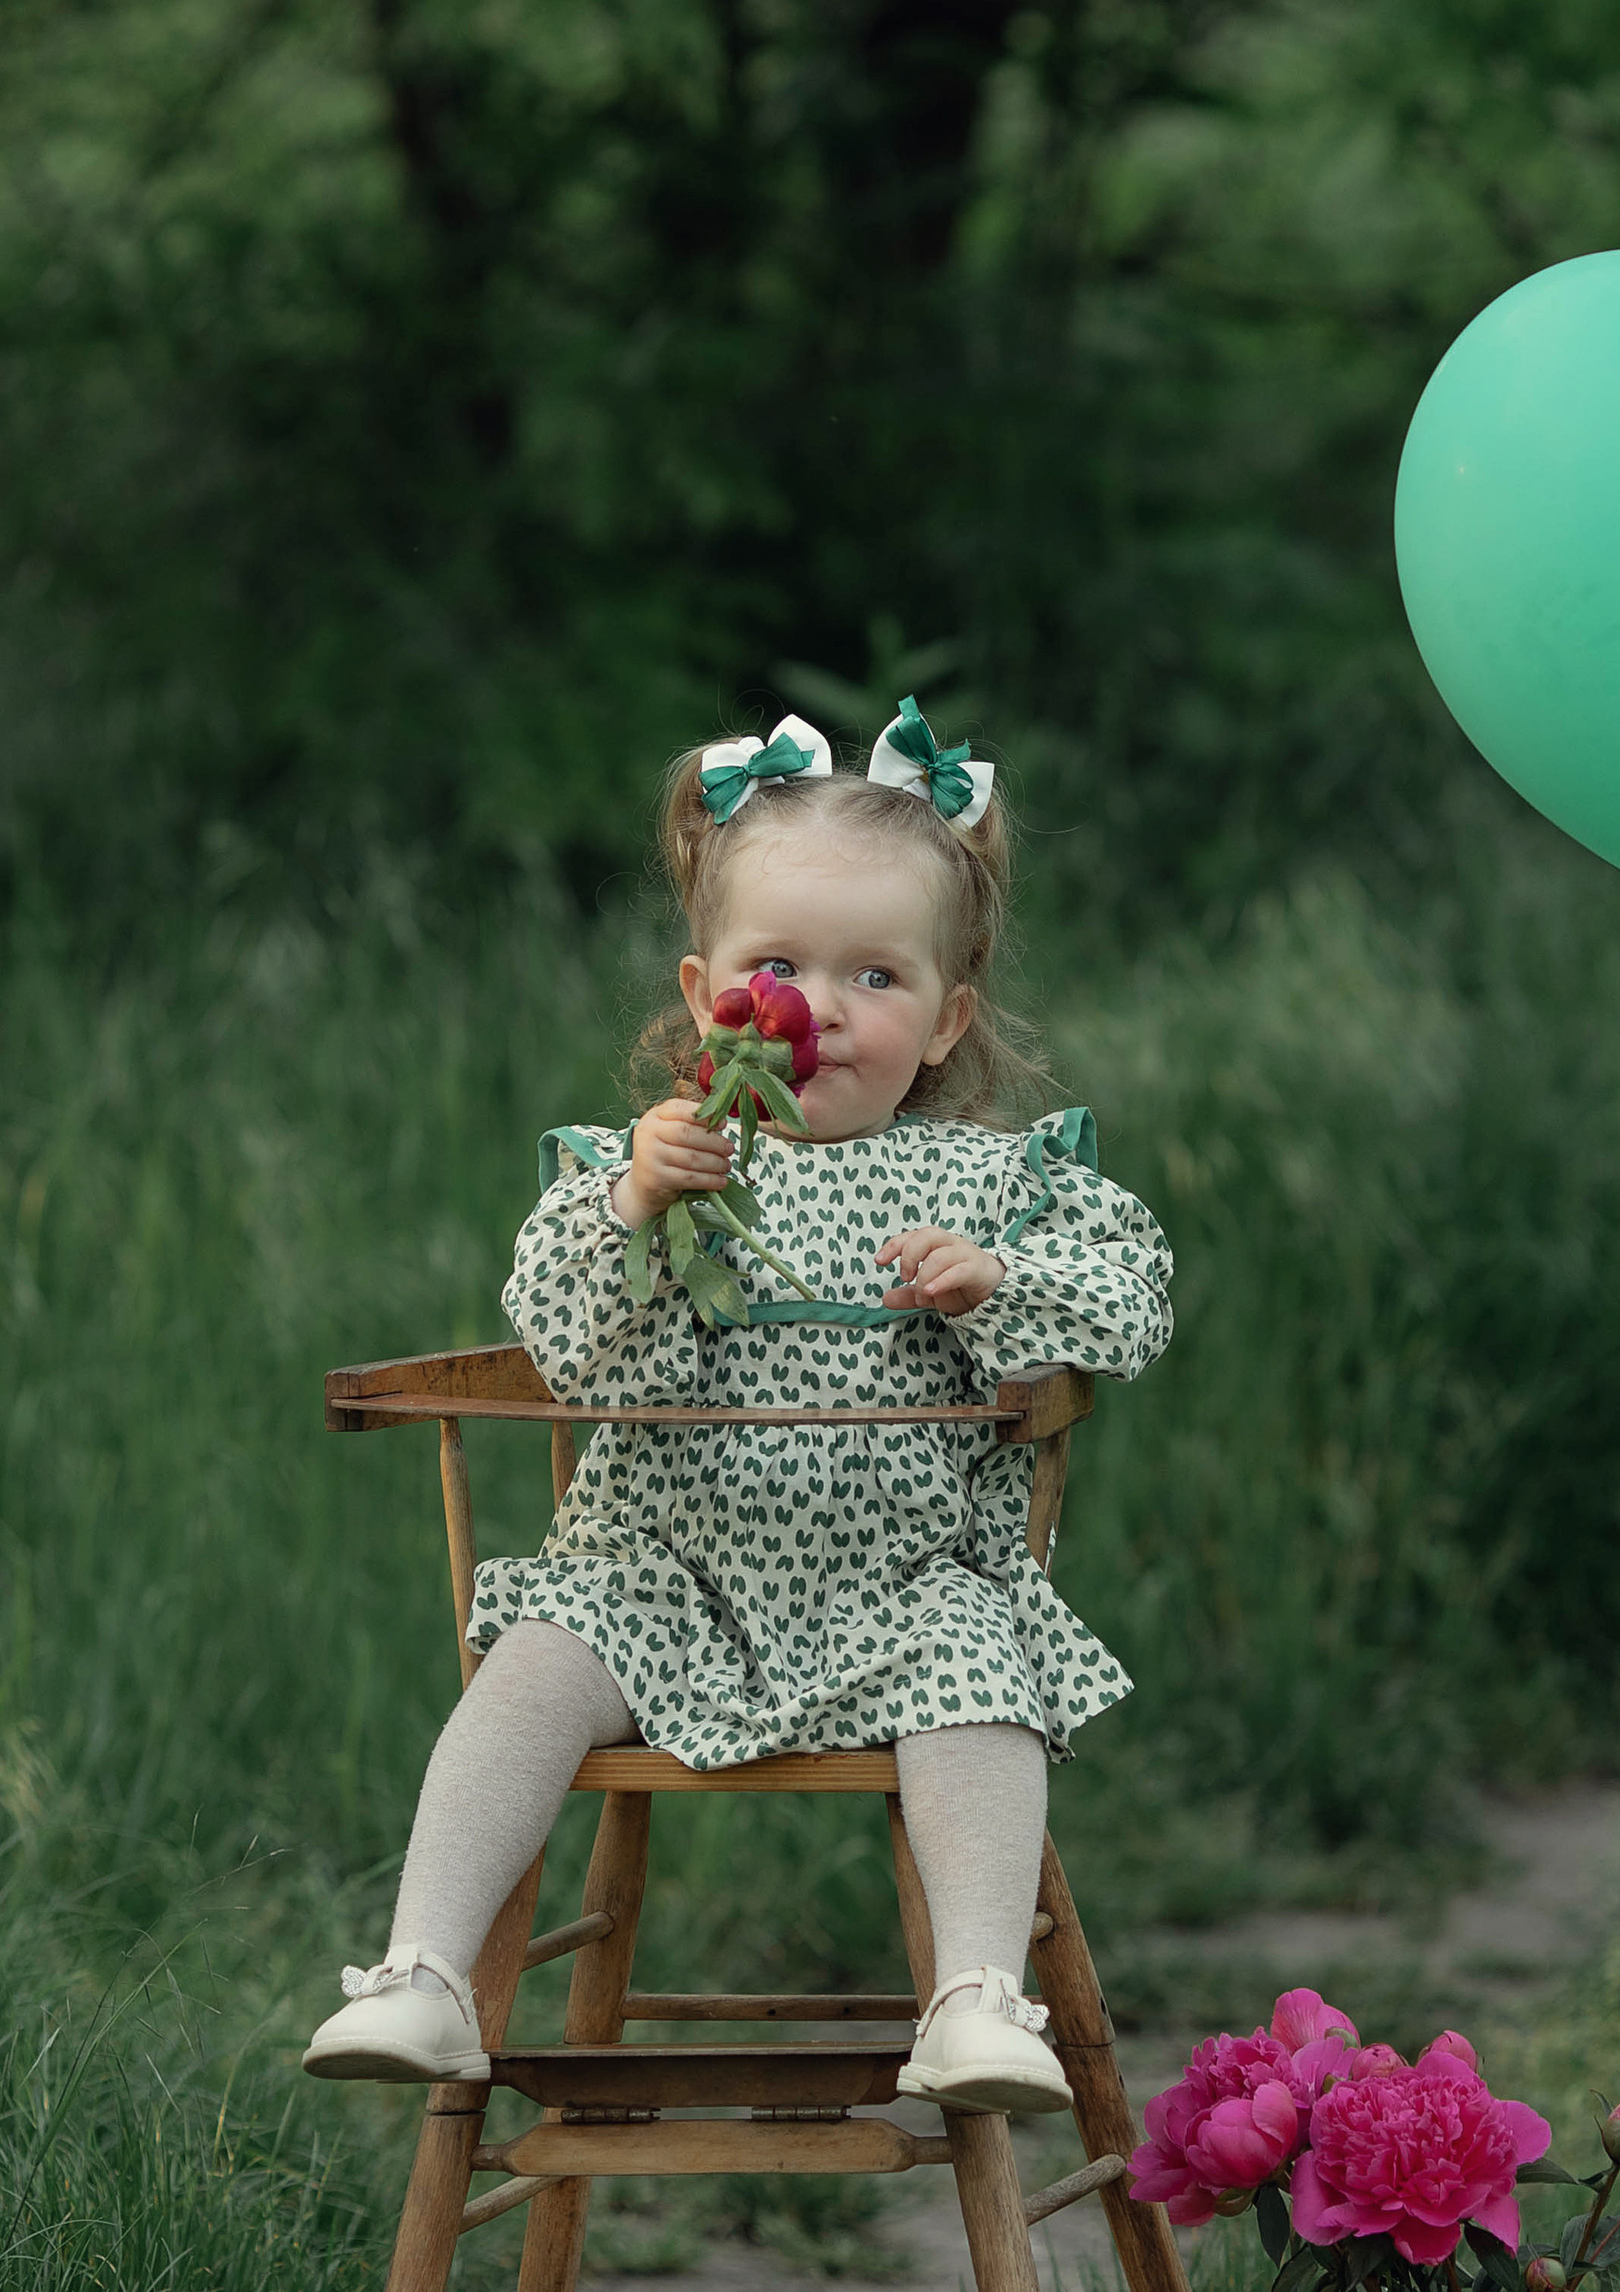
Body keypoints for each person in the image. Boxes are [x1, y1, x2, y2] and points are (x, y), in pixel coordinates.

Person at [302, 701, 1169, 2116]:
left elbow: (1129, 1297)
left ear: (950, 1014)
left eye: (874, 975)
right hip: (659, 1573)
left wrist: (997, 1279)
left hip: (901, 1582)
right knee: (533, 1657)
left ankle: (971, 1998)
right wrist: (639, 1201)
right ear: (707, 989)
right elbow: (567, 1342)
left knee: (981, 1680)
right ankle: (426, 1973)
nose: (814, 1010)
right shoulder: (649, 1164)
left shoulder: (989, 1181)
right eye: (776, 967)